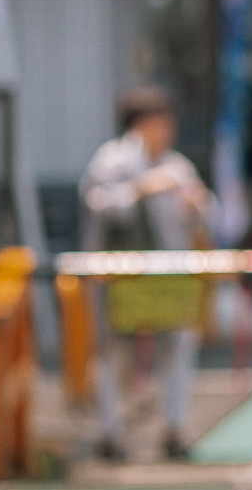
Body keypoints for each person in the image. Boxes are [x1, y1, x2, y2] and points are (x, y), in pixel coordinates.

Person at [79, 86, 217, 461]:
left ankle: (172, 428)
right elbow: (101, 208)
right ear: (139, 125)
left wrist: (195, 206)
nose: (167, 130)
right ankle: (109, 433)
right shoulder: (110, 161)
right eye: (160, 122)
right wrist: (141, 188)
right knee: (111, 352)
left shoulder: (176, 165)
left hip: (169, 275)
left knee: (177, 345)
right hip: (117, 274)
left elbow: (208, 212)